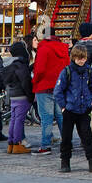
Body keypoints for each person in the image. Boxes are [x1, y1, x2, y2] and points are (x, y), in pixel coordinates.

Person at [53, 42, 92, 173]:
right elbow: (58, 91)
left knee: (87, 136)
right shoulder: (67, 71)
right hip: (70, 109)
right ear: (73, 58)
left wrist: (91, 102)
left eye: (83, 58)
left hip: (84, 108)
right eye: (79, 58)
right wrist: (63, 106)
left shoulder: (89, 71)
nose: (81, 61)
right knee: (66, 137)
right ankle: (65, 162)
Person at [31, 26, 68, 155]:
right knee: (60, 116)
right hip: (60, 86)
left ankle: (45, 145)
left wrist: (34, 81)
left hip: (44, 86)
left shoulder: (43, 48)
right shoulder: (63, 49)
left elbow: (40, 69)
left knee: (46, 117)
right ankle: (67, 142)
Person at [2, 41, 33, 154]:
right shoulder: (20, 65)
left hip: (13, 95)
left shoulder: (10, 64)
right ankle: (17, 144)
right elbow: (25, 81)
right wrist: (30, 95)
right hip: (21, 95)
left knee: (14, 119)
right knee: (19, 121)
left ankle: (11, 143)